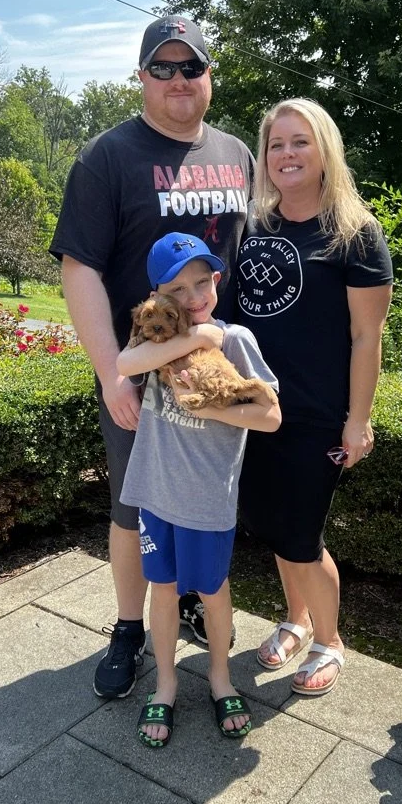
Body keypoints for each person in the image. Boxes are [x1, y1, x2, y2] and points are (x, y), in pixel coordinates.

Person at [49, 16, 253, 701]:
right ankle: (130, 627)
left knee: (205, 496)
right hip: (138, 372)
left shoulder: (236, 153)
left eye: (189, 67)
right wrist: (111, 374)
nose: (176, 81)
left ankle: (187, 600)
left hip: (212, 368)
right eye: (161, 68)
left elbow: (242, 264)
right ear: (140, 76)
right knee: (134, 508)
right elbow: (80, 270)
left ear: (208, 76)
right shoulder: (107, 156)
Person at [236, 98, 393, 697]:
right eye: (276, 144)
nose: (286, 154)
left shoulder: (356, 233)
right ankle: (296, 621)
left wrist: (358, 421)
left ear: (324, 149)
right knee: (272, 526)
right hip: (252, 410)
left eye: (299, 142)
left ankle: (330, 640)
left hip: (315, 414)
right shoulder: (253, 227)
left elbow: (365, 335)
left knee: (301, 534)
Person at [117, 232, 280, 746]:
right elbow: (123, 366)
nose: (193, 298)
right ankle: (165, 684)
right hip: (155, 488)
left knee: (211, 589)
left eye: (202, 282)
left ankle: (220, 678)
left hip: (206, 496)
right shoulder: (150, 342)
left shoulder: (237, 339)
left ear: (217, 280)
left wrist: (207, 408)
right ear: (157, 298)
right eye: (178, 290)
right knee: (161, 588)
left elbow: (271, 416)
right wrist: (192, 340)